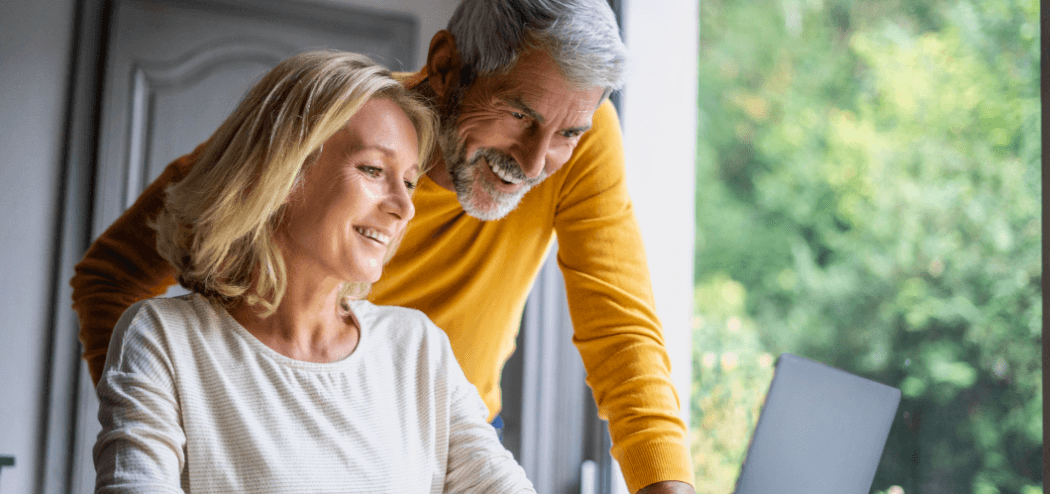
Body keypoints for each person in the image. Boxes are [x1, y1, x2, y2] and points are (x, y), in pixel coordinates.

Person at [73, 1, 695, 492]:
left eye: (567, 134)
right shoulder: (329, 124)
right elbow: (112, 276)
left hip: (440, 431)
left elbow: (621, 333)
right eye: (517, 114)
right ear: (447, 65)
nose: (537, 163)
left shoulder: (423, 347)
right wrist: (155, 421)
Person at [93, 51, 535, 492]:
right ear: (282, 173)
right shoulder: (162, 340)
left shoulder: (418, 348)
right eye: (373, 169)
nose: (403, 208)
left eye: (408, 182)